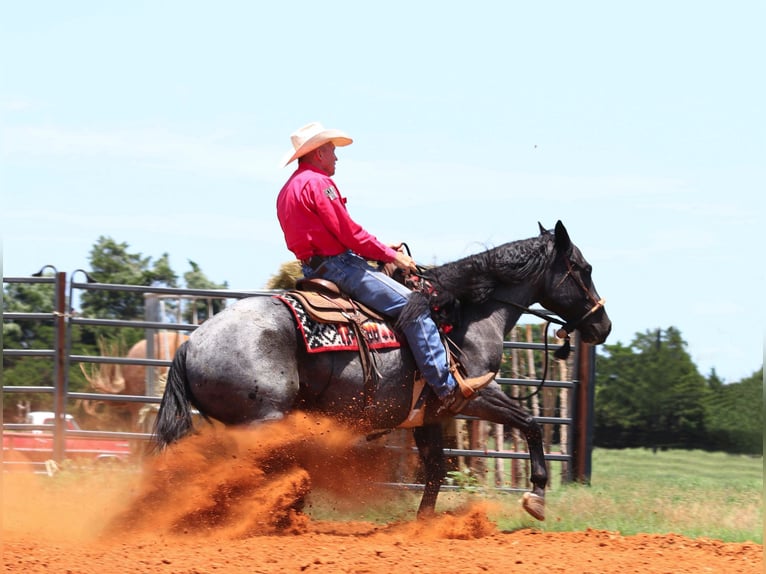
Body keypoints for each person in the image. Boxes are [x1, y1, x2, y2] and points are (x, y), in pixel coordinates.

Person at [276, 122, 485, 414]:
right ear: (319, 153)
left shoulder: (287, 190)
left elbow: (332, 234)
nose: (337, 157)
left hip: (312, 271)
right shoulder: (319, 184)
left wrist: (380, 248)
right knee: (415, 306)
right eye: (333, 151)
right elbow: (347, 232)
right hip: (340, 267)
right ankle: (447, 389)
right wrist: (392, 256)